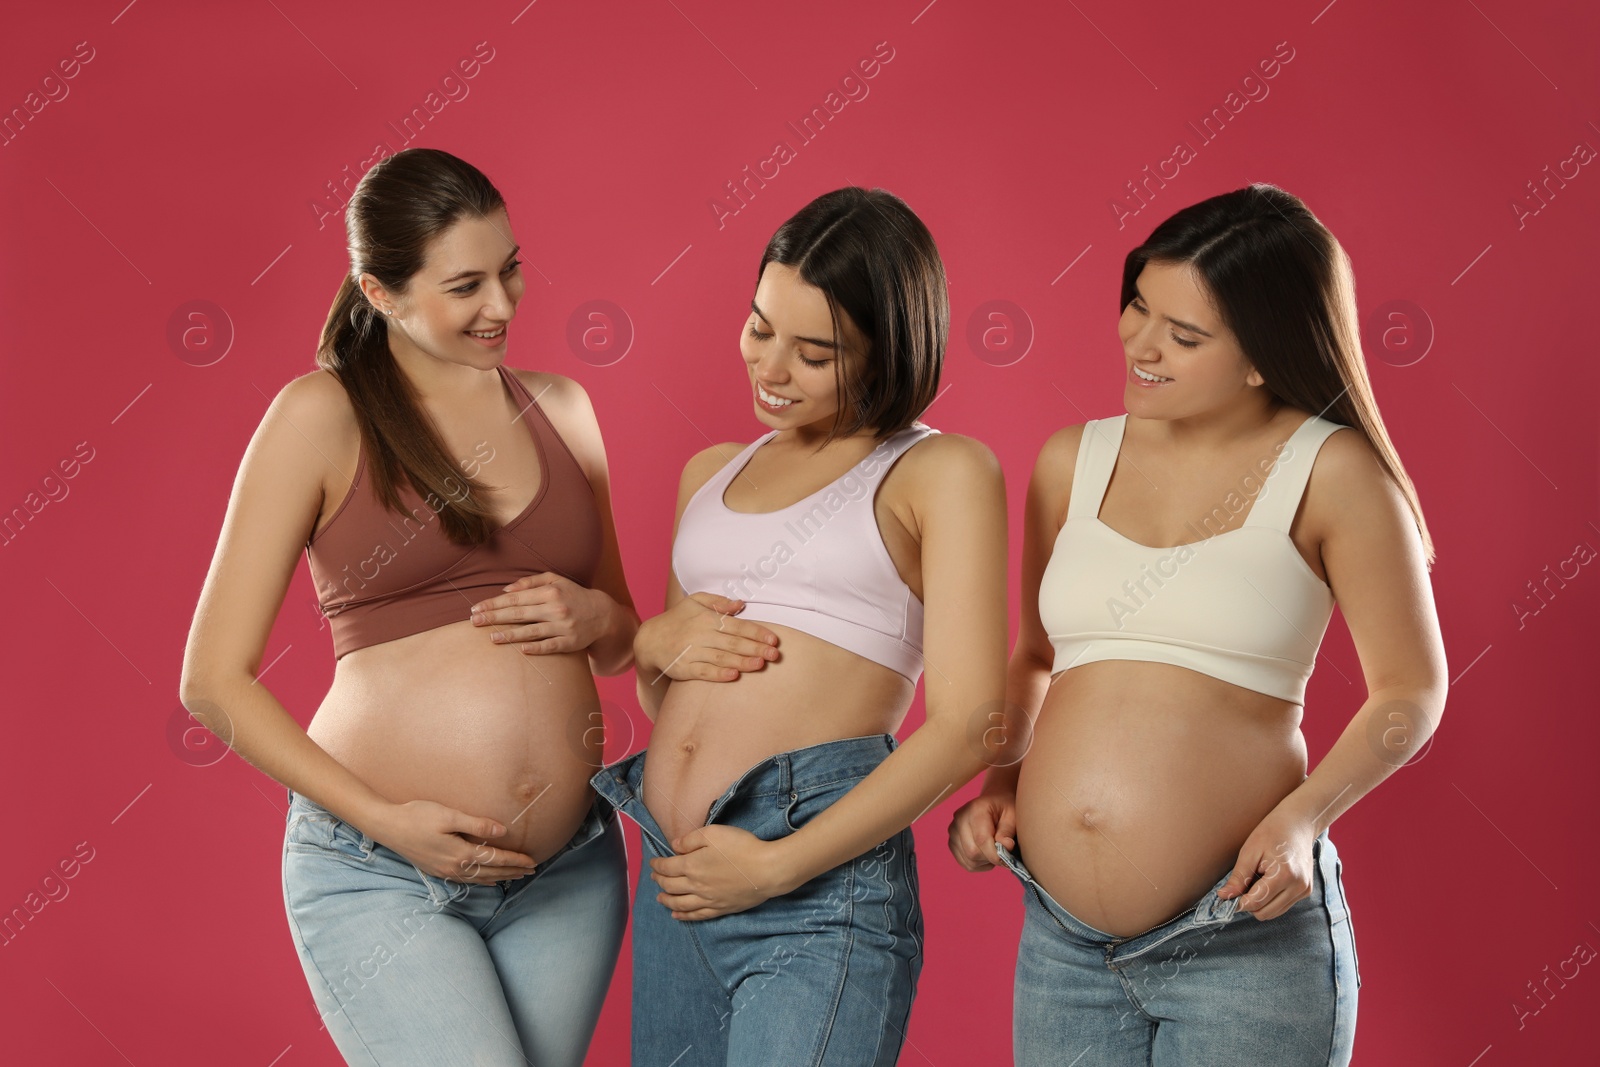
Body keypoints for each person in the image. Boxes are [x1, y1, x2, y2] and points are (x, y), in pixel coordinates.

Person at [948, 183, 1448, 1066]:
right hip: (1065, 947)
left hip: (1240, 944)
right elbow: (1033, 656)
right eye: (1137, 305)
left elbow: (1411, 691)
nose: (1141, 344)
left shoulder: (1332, 474)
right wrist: (1002, 781)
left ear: (1263, 353)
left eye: (1184, 336)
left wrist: (1304, 819)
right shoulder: (1073, 459)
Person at [178, 147, 638, 1067]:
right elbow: (212, 682)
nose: (502, 306)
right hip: (380, 868)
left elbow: (625, 638)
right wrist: (385, 819)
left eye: (510, 269)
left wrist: (594, 619)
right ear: (379, 291)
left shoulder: (561, 406)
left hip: (569, 870)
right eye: (465, 285)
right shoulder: (321, 415)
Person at [589, 186, 1008, 1066]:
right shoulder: (709, 474)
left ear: (888, 351)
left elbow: (974, 723)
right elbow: (668, 687)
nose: (770, 368)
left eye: (814, 353)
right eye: (758, 327)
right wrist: (654, 644)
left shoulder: (939, 471)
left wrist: (781, 865)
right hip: (678, 879)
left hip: (815, 889)